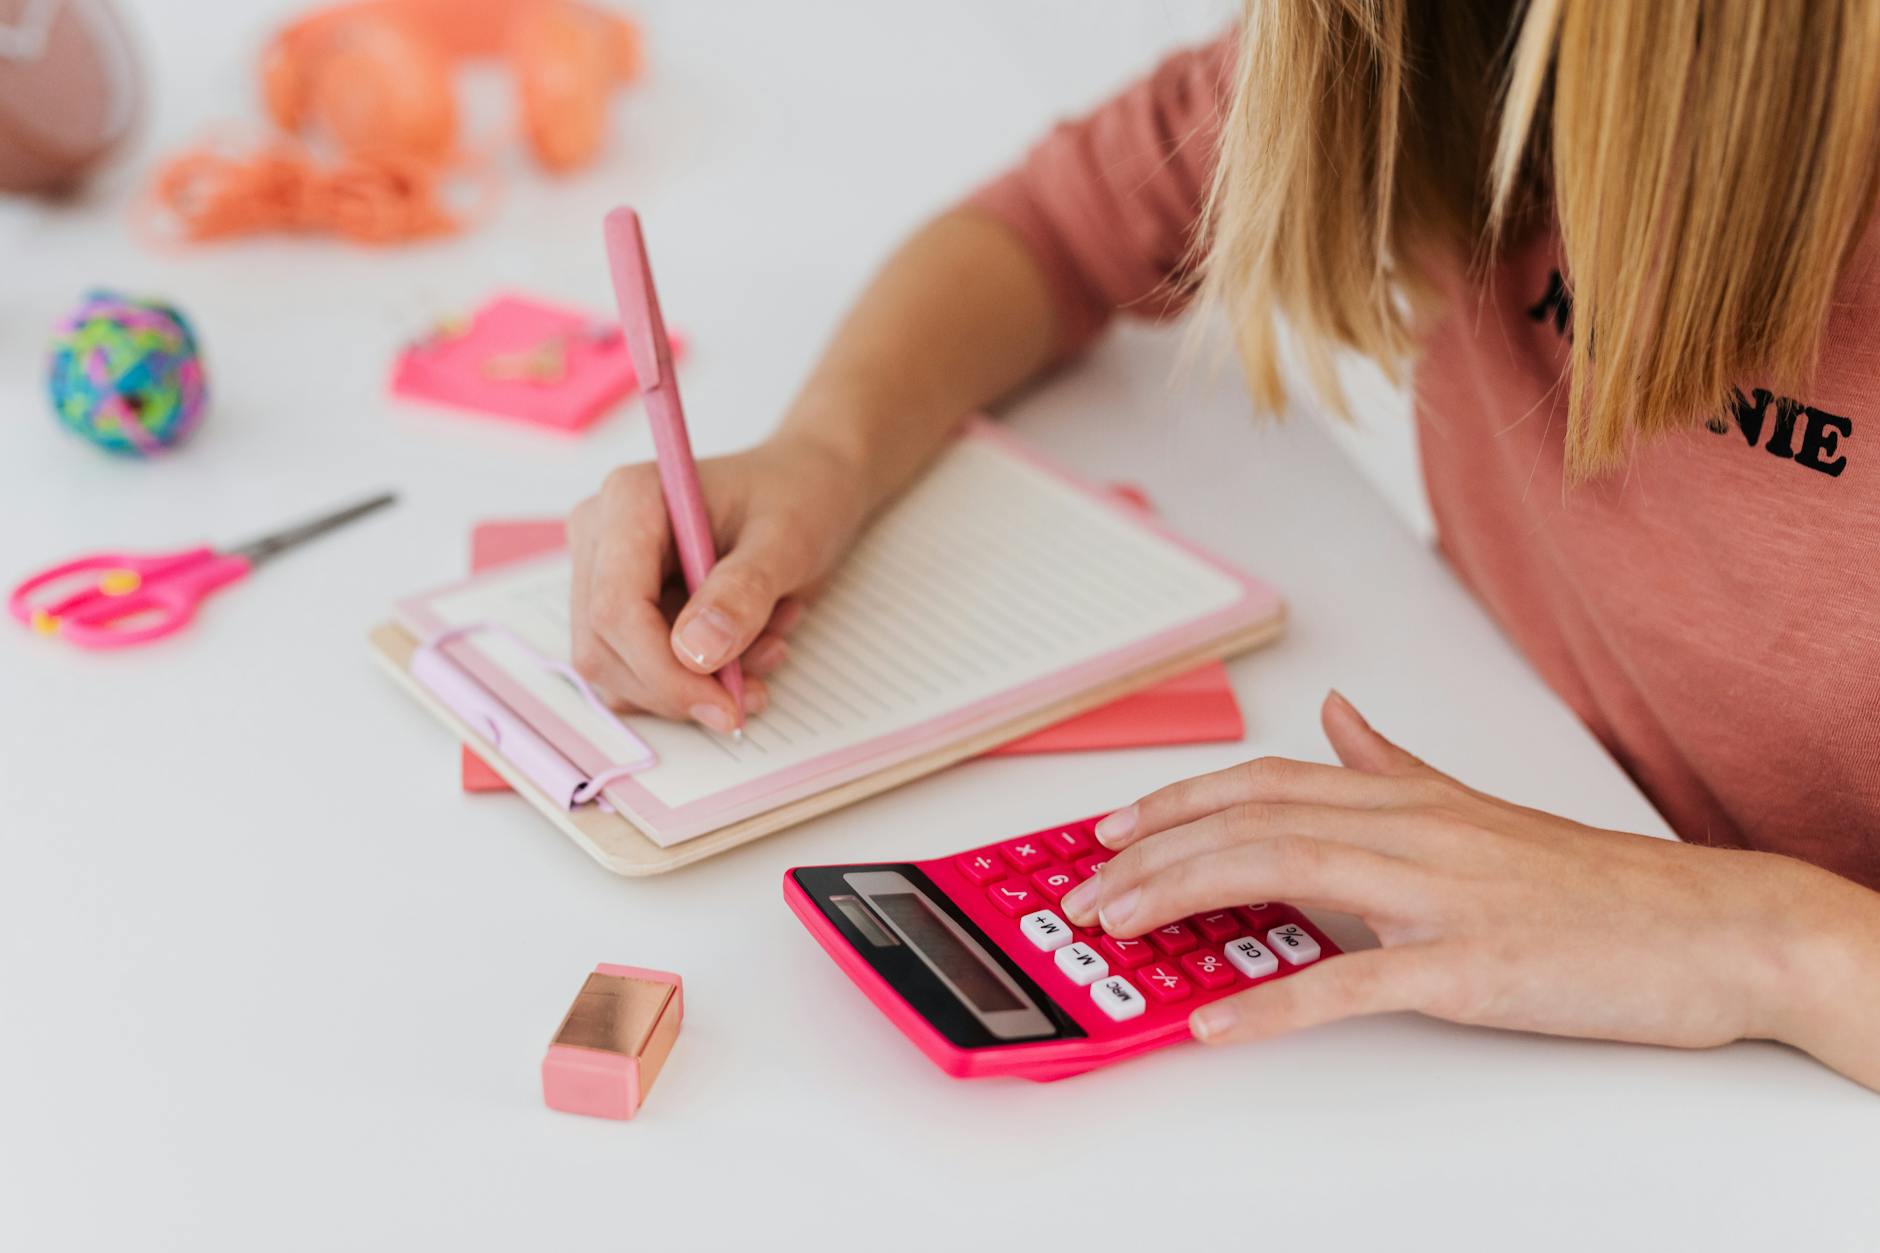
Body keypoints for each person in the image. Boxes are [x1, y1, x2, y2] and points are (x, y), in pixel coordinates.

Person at [566, 2, 1880, 1088]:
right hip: (1514, 816)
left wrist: (1764, 936)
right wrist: (827, 453)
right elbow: (1051, 226)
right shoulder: (1437, 43)